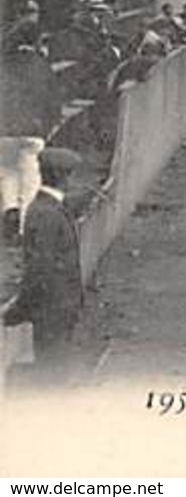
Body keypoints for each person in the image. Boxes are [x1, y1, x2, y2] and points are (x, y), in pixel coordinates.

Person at [3, 147, 85, 381]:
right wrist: (20, 309)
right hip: (52, 312)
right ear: (62, 177)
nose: (76, 180)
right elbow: (40, 269)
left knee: (56, 371)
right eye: (73, 174)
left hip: (58, 310)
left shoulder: (48, 207)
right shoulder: (46, 213)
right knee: (52, 375)